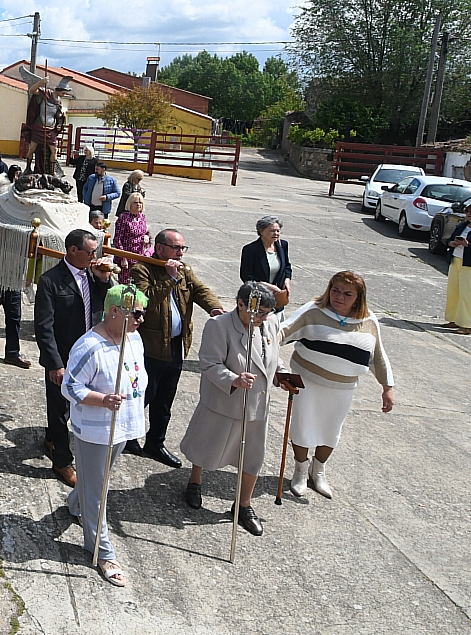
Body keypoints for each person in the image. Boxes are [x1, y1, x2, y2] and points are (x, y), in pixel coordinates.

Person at [62, 284, 150, 588]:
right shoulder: (89, 346)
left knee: (95, 480)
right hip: (96, 430)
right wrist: (102, 400)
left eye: (142, 314)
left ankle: (76, 504)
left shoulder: (133, 337)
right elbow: (70, 387)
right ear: (114, 311)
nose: (141, 319)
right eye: (135, 313)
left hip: (122, 426)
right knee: (99, 490)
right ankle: (102, 550)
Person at [281, 271, 394, 499]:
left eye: (347, 294)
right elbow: (283, 331)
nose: (339, 297)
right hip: (307, 382)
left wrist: (387, 387)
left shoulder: (369, 320)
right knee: (302, 426)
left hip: (342, 388)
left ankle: (318, 471)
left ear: (358, 297)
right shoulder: (314, 310)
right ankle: (300, 470)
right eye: (335, 290)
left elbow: (377, 356)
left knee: (330, 430)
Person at [181, 282, 281, 536]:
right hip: (224, 401)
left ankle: (243, 504)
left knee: (253, 457)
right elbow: (209, 363)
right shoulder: (219, 326)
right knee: (205, 446)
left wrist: (282, 373)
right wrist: (233, 379)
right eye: (259, 313)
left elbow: (271, 354)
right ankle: (195, 480)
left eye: (266, 313)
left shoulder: (269, 323)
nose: (262, 318)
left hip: (257, 405)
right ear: (241, 305)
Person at [128, 229, 225, 466]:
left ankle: (155, 442)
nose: (180, 253)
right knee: (144, 395)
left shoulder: (184, 270)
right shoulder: (142, 269)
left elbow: (200, 290)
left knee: (165, 399)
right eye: (176, 248)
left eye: (183, 248)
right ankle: (128, 436)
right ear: (160, 248)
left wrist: (214, 307)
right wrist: (169, 279)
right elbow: (145, 301)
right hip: (150, 347)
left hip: (175, 345)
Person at [33, 228, 115, 487]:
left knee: (79, 405)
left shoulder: (93, 274)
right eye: (90, 252)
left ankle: (51, 438)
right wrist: (54, 364)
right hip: (64, 357)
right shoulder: (50, 281)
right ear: (73, 250)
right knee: (59, 409)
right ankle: (62, 460)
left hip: (90, 354)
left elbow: (109, 304)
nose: (94, 256)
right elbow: (44, 327)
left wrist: (104, 280)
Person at [239, 216, 292, 313]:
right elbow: (246, 276)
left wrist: (287, 280)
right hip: (258, 298)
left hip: (278, 299)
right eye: (272, 231)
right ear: (261, 231)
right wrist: (266, 286)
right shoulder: (250, 249)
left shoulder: (283, 245)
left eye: (278, 231)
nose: (276, 233)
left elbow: (287, 267)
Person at [442, 206, 471, 333]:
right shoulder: (462, 226)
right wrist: (451, 243)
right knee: (453, 292)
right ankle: (453, 319)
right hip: (456, 260)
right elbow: (448, 240)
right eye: (467, 212)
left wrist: (467, 245)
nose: (469, 214)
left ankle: (467, 325)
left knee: (467, 295)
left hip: (468, 264)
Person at [111, 194, 152, 283]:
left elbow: (145, 232)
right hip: (126, 256)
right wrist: (123, 258)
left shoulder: (142, 217)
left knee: (138, 282)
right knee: (126, 284)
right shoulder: (123, 218)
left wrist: (146, 236)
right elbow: (117, 239)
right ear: (130, 203)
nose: (138, 205)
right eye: (135, 202)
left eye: (140, 202)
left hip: (139, 256)